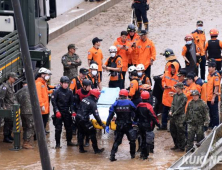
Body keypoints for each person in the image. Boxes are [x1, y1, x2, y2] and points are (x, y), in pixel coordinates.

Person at [106, 89, 136, 161]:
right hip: (128, 125)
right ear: (126, 96)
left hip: (119, 125)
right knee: (132, 141)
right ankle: (133, 156)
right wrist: (135, 122)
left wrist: (107, 124)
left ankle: (112, 156)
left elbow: (110, 114)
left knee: (117, 141)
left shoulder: (115, 103)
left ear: (119, 95)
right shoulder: (130, 103)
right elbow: (136, 111)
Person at [76, 89, 105, 153]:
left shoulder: (84, 99)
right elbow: (96, 115)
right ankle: (96, 150)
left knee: (81, 132)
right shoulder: (93, 103)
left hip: (78, 117)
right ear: (96, 96)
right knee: (93, 132)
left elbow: (82, 108)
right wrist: (101, 124)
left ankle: (81, 149)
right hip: (84, 120)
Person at [51, 76, 77, 148]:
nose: (66, 84)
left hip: (67, 112)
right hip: (59, 112)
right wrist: (56, 111)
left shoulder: (70, 92)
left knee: (69, 128)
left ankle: (69, 141)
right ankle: (58, 144)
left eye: (67, 83)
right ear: (61, 83)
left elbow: (71, 103)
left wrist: (73, 111)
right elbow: (53, 102)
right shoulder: (56, 92)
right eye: (64, 83)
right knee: (58, 129)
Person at [134, 91, 160, 160]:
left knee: (142, 139)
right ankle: (146, 155)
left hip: (140, 125)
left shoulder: (139, 105)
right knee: (148, 140)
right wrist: (158, 124)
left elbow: (135, 116)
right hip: (147, 125)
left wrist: (134, 122)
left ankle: (142, 154)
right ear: (148, 98)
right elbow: (154, 116)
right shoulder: (149, 106)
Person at [158, 62, 179, 130]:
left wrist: (170, 87)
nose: (172, 69)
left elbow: (178, 87)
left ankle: (172, 127)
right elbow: (163, 81)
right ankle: (164, 125)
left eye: (174, 68)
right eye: (172, 67)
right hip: (166, 96)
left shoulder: (178, 76)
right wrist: (164, 85)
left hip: (173, 97)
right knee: (164, 112)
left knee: (172, 114)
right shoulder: (166, 73)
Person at [0, 72, 18, 143]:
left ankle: (9, 135)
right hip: (7, 107)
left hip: (12, 106)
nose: (15, 80)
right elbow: (1, 98)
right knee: (7, 122)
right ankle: (6, 136)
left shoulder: (11, 85)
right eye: (14, 78)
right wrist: (4, 107)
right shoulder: (5, 86)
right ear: (10, 77)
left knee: (11, 122)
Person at [16, 80, 34, 149]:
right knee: (30, 127)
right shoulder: (31, 90)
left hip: (22, 112)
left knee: (25, 126)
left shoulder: (19, 91)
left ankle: (25, 140)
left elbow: (15, 100)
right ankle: (26, 142)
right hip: (30, 112)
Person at [169, 83, 187, 152]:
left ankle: (182, 147)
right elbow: (173, 104)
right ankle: (176, 145)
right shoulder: (175, 96)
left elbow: (181, 107)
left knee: (180, 132)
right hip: (173, 116)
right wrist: (171, 111)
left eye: (176, 87)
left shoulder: (184, 97)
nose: (175, 88)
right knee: (173, 131)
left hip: (180, 117)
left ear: (180, 88)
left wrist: (174, 113)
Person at [74, 79, 92, 146]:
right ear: (84, 86)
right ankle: (79, 141)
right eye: (88, 86)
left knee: (87, 127)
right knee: (79, 128)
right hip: (80, 111)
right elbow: (76, 103)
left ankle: (87, 141)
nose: (89, 87)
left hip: (88, 112)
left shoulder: (91, 92)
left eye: (90, 86)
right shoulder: (78, 92)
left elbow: (93, 103)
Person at [35, 68, 52, 134]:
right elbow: (39, 95)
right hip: (42, 106)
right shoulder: (39, 83)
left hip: (45, 105)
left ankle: (43, 130)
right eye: (47, 74)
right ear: (42, 74)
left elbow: (45, 92)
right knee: (41, 120)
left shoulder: (43, 83)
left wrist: (52, 91)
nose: (48, 76)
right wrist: (41, 105)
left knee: (45, 119)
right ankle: (41, 132)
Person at [207, 61, 221, 128]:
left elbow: (216, 87)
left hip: (213, 98)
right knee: (211, 113)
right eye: (208, 67)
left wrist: (213, 97)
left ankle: (216, 126)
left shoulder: (216, 76)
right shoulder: (209, 75)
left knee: (215, 113)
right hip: (208, 97)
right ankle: (211, 124)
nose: (208, 68)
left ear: (214, 67)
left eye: (210, 67)